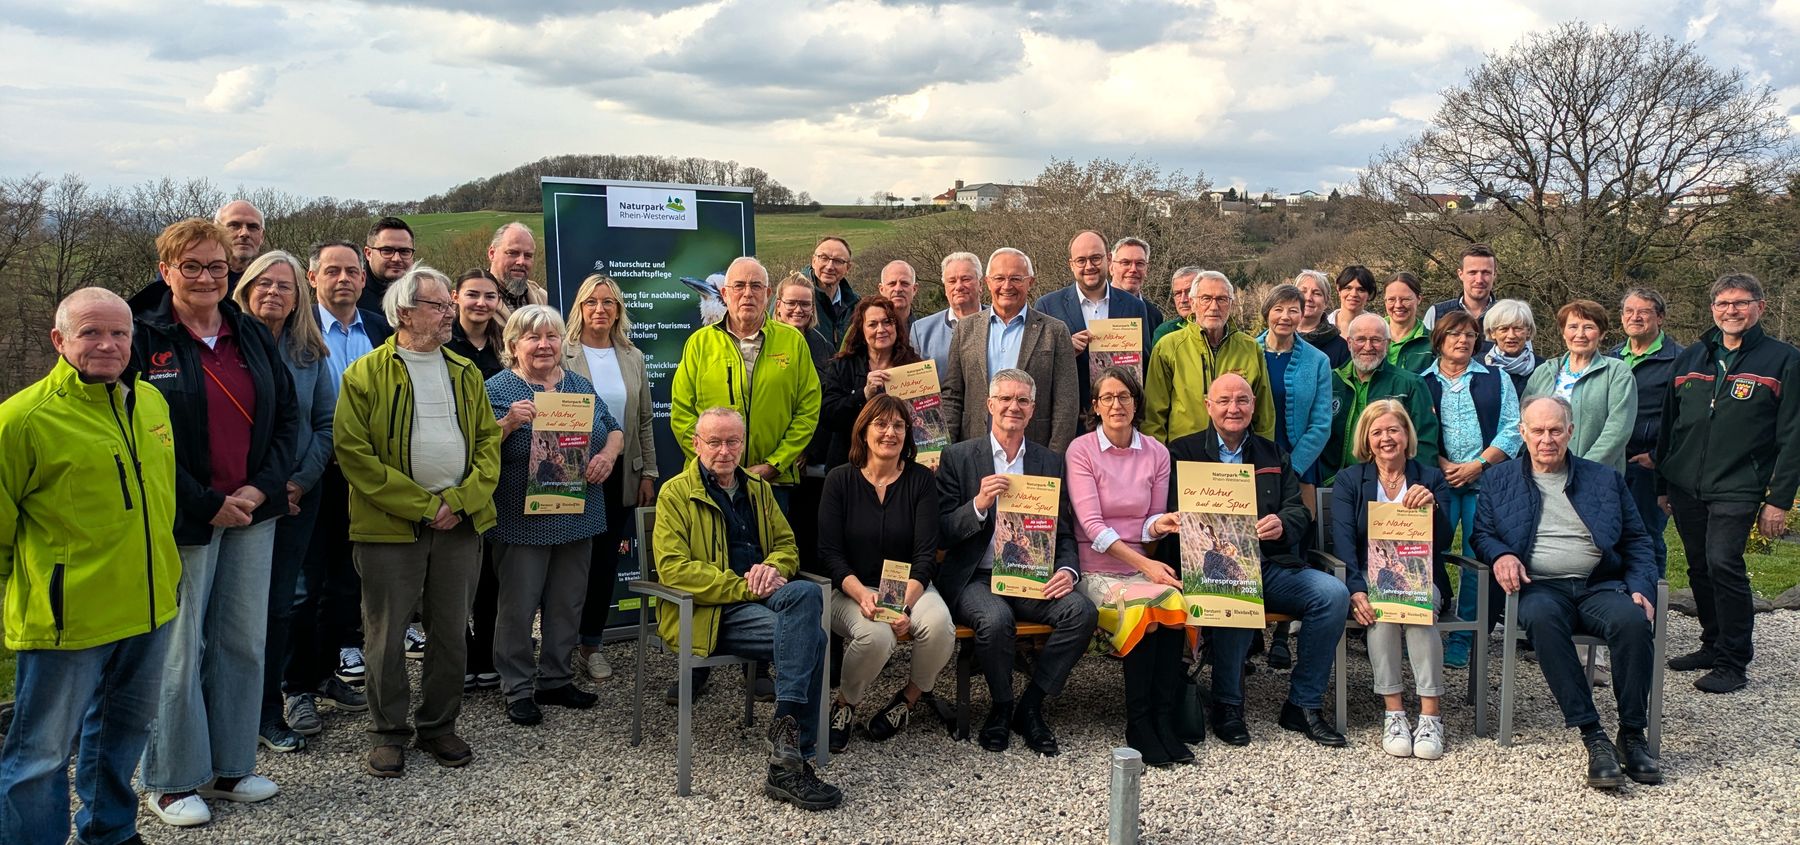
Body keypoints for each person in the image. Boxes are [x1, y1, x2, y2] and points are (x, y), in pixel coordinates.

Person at [0, 289, 182, 845]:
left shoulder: (149, 403)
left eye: (119, 333)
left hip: (147, 608)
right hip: (68, 620)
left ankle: (111, 832)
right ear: (59, 340)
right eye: (90, 333)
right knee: (40, 754)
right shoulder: (22, 420)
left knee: (121, 737)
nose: (107, 344)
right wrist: (36, 591)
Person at [133, 218, 298, 827]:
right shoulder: (143, 336)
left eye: (217, 267)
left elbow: (287, 419)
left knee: (241, 643)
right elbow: (137, 438)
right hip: (185, 517)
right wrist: (206, 501)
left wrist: (259, 488)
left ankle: (229, 766)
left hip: (252, 511)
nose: (206, 278)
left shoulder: (248, 331)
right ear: (166, 271)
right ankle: (170, 779)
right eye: (192, 266)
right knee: (179, 650)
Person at [334, 265, 502, 778]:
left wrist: (461, 501)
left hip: (460, 525)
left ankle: (438, 725)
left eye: (449, 305)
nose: (451, 313)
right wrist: (427, 507)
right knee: (385, 636)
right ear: (404, 312)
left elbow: (488, 444)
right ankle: (388, 732)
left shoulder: (465, 372)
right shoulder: (364, 374)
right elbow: (354, 455)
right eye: (439, 306)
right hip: (389, 528)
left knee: (450, 631)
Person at [651, 407, 841, 811]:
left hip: (764, 593)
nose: (724, 450)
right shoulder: (675, 493)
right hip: (712, 610)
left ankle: (785, 744)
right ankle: (792, 759)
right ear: (696, 444)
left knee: (807, 595)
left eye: (732, 441)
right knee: (813, 639)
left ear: (743, 443)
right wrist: (742, 585)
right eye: (714, 442)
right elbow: (673, 569)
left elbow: (787, 545)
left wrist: (772, 567)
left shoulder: (757, 488)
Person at [1475, 396, 1662, 789]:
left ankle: (1632, 735)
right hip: (1539, 586)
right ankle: (1593, 735)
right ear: (1522, 433)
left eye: (1556, 430)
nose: (1547, 439)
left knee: (1632, 621)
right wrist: (1501, 555)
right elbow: (1483, 535)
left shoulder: (1604, 479)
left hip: (1599, 584)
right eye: (1538, 430)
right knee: (1542, 619)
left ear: (1570, 432)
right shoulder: (1498, 479)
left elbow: (1638, 540)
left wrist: (1642, 587)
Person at [1160, 374, 1343, 747]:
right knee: (1235, 588)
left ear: (1254, 406)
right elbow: (1167, 510)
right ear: (1208, 406)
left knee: (1332, 595)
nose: (1234, 408)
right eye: (1224, 401)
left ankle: (1303, 704)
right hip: (1209, 568)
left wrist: (1283, 523)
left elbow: (1298, 510)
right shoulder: (1182, 452)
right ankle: (1228, 704)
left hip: (1270, 565)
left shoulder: (1273, 454)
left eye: (1242, 400)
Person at [935, 369, 1097, 756]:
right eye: (1005, 399)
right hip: (977, 577)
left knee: (1081, 612)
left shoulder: (1048, 461)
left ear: (1032, 410)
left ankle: (1031, 705)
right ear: (989, 405)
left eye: (1022, 400)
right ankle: (1002, 705)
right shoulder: (959, 457)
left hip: (1032, 576)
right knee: (995, 620)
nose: (1014, 406)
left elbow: (1064, 531)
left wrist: (1067, 570)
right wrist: (978, 505)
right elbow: (940, 532)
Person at [1658, 272, 1800, 694]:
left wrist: (1779, 499)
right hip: (1686, 484)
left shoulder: (1784, 361)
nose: (1731, 311)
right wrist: (1662, 484)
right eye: (1722, 303)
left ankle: (1733, 662)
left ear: (1760, 307)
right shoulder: (1693, 357)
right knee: (1699, 566)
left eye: (1740, 303)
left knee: (1723, 562)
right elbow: (1669, 423)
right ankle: (1712, 643)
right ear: (1713, 309)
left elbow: (1793, 435)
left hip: (1740, 483)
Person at [485, 305, 624, 725]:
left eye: (551, 336)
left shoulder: (578, 384)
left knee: (567, 602)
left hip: (578, 514)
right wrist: (508, 424)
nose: (544, 345)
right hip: (521, 520)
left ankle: (556, 679)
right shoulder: (497, 389)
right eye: (533, 337)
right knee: (518, 607)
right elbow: (474, 445)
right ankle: (517, 687)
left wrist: (608, 454)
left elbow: (613, 427)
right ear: (513, 345)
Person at [231, 251, 337, 754]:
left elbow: (325, 424)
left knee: (283, 604)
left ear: (299, 298)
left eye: (285, 286)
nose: (273, 292)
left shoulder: (309, 354)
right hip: (236, 501)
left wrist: (298, 483)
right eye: (264, 283)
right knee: (232, 610)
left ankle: (268, 711)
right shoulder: (227, 347)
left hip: (297, 497)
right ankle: (224, 714)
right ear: (246, 288)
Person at [1064, 368, 1192, 766]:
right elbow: (1092, 526)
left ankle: (1163, 720)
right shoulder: (1081, 450)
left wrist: (1162, 524)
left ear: (1136, 404)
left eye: (1125, 396)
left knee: (1176, 606)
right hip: (1095, 569)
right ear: (1095, 406)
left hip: (1139, 568)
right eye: (1108, 398)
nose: (1116, 404)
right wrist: (1146, 565)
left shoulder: (1156, 452)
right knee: (1147, 612)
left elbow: (1147, 523)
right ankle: (1138, 724)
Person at [285, 240, 390, 727]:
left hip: (366, 474)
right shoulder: (296, 330)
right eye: (332, 271)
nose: (344, 279)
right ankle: (296, 687)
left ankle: (326, 672)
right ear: (312, 278)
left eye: (351, 271)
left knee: (347, 584)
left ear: (364, 279)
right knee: (305, 586)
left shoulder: (379, 328)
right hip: (314, 472)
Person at [817, 395, 951, 752]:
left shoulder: (921, 481)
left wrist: (902, 606)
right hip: (850, 588)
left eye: (898, 426)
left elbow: (925, 555)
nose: (890, 432)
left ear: (907, 434)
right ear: (863, 431)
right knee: (876, 636)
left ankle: (908, 699)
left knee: (939, 625)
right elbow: (829, 554)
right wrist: (862, 594)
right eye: (881, 424)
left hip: (909, 587)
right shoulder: (839, 480)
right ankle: (845, 704)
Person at [1332, 400, 1454, 759]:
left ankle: (1430, 717)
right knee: (1382, 611)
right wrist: (1356, 591)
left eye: (1393, 430)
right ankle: (1395, 713)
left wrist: (1432, 509)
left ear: (1406, 435)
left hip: (1422, 576)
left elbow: (1446, 541)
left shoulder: (1430, 478)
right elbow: (1343, 542)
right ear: (1366, 439)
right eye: (1377, 432)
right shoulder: (1350, 480)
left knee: (1416, 610)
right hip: (1370, 578)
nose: (1386, 438)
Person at [565, 274, 659, 682]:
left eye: (608, 302)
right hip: (571, 471)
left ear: (618, 309)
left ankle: (591, 644)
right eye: (591, 302)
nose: (600, 309)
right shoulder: (563, 352)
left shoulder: (632, 356)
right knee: (569, 564)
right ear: (580, 308)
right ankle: (559, 646)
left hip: (620, 473)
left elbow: (644, 421)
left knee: (604, 563)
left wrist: (649, 472)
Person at [670, 256, 821, 509]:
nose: (747, 293)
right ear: (725, 293)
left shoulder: (792, 342)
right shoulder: (699, 343)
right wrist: (713, 462)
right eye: (739, 286)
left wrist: (775, 464)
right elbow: (681, 412)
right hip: (710, 482)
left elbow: (808, 409)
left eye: (756, 286)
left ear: (768, 294)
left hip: (772, 484)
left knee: (772, 538)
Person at [1422, 310, 1521, 669]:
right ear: (1440, 339)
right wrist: (1442, 464)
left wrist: (1478, 464)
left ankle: (1464, 636)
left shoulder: (1496, 378)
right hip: (1441, 482)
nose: (1462, 340)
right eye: (1454, 334)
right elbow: (1416, 432)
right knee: (1430, 550)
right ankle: (1425, 623)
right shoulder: (1423, 382)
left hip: (1485, 482)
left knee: (1476, 560)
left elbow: (1513, 428)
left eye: (1469, 335)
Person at [940, 248, 1079, 452]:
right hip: (974, 450)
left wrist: (1054, 457)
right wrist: (945, 451)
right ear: (987, 282)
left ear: (1030, 282)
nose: (1007, 286)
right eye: (999, 278)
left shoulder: (1054, 331)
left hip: (1034, 450)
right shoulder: (966, 329)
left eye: (1016, 278)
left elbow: (1066, 402)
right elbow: (953, 396)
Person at [1144, 271, 1275, 443]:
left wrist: (1263, 454)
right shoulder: (1168, 347)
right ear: (1193, 303)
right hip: (1184, 453)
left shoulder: (1250, 348)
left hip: (1237, 453)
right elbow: (1153, 416)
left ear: (1231, 304)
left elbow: (1264, 415)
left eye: (1221, 299)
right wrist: (1159, 456)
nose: (1214, 307)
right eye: (1206, 298)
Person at [1037, 232, 1158, 415]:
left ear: (1108, 259)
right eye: (1081, 260)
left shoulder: (1134, 306)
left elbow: (1145, 366)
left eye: (1095, 258)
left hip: (1120, 416)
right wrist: (1064, 350)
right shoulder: (1048, 306)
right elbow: (1038, 368)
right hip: (1071, 418)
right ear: (1071, 265)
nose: (1089, 266)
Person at [1608, 288, 1683, 578]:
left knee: (1645, 537)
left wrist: (1656, 456)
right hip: (1611, 462)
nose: (1635, 317)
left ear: (1660, 318)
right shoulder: (1611, 357)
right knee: (1610, 533)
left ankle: (1650, 599)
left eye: (1644, 312)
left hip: (1647, 468)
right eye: (1629, 311)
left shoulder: (1679, 360)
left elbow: (1685, 419)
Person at [1324, 314, 1441, 481]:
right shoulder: (1329, 382)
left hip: (1392, 483)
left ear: (1388, 343)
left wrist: (1416, 483)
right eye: (1360, 339)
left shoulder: (1410, 384)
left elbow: (1425, 443)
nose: (1368, 347)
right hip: (1334, 482)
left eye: (1376, 340)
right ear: (1349, 343)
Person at [1523, 300, 1636, 473]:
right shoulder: (1544, 371)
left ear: (1602, 334)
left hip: (1595, 475)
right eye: (1573, 327)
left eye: (1588, 327)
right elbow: (1525, 422)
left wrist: (1582, 470)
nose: (1580, 334)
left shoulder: (1617, 372)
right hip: (1544, 475)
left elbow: (1618, 430)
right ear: (1563, 332)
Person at [821, 296, 923, 469]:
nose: (881, 329)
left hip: (901, 467)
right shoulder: (842, 366)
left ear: (896, 327)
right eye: (872, 324)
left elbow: (925, 416)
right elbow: (828, 415)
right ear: (861, 330)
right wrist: (863, 395)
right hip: (850, 465)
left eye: (887, 322)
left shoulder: (913, 365)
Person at [1257, 284, 1334, 501]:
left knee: (1299, 520)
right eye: (1278, 309)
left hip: (1302, 467)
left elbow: (1321, 424)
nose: (1285, 317)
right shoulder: (1248, 352)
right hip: (1254, 464)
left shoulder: (1318, 361)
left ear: (1301, 315)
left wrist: (1294, 466)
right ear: (1267, 313)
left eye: (1293, 310)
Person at [128, 199, 267, 312]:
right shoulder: (178, 274)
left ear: (262, 236)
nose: (244, 233)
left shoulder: (269, 279)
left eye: (253, 227)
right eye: (234, 225)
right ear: (216, 229)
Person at [911, 252, 987, 375]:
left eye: (966, 279)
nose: (959, 286)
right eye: (952, 281)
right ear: (945, 288)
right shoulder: (921, 331)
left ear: (980, 285)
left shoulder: (999, 322)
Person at [447, 268, 505, 379]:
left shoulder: (509, 342)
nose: (481, 303)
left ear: (498, 300)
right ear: (455, 297)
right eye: (472, 295)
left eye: (490, 296)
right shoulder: (441, 341)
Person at [1423, 243, 1498, 329]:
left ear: (1494, 274)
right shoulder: (1436, 314)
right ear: (1460, 274)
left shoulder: (1507, 314)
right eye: (1472, 273)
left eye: (1486, 273)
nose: (1479, 280)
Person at [1481, 298, 1540, 396]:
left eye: (1518, 328)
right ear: (1492, 333)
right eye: (1504, 329)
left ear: (1528, 332)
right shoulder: (1477, 367)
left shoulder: (1543, 369)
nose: (1511, 335)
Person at [808, 236, 860, 345]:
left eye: (838, 261)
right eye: (824, 258)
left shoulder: (855, 305)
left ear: (848, 268)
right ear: (813, 261)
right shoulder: (793, 298)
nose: (830, 266)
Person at [487, 222, 549, 313]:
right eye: (512, 253)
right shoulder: (474, 301)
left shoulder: (544, 300)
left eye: (528, 255)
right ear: (492, 254)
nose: (521, 261)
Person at [359, 216, 417, 314]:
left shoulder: (425, 295)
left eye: (404, 251)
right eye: (387, 251)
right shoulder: (353, 296)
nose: (396, 259)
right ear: (368, 253)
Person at [1293, 269, 1350, 367]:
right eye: (1303, 292)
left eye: (1316, 293)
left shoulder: (1341, 348)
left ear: (1326, 302)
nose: (1308, 298)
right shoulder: (1277, 337)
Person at [1108, 236, 1165, 329]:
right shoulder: (1095, 306)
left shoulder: (1154, 316)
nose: (1133, 269)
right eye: (1125, 263)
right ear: (1111, 268)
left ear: (1146, 269)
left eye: (1140, 263)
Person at [1383, 272, 1432, 373]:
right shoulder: (1369, 337)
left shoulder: (1432, 342)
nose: (1398, 305)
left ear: (1419, 299)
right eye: (1391, 299)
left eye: (1405, 299)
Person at [1149, 266, 1201, 349]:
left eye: (1189, 292)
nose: (1183, 300)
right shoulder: (1165, 331)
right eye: (1178, 293)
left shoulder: (1220, 330)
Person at [1329, 265, 1376, 335]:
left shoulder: (1378, 328)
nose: (1353, 294)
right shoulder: (1321, 325)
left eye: (1361, 290)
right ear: (1339, 289)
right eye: (1348, 288)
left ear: (1369, 294)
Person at [877, 260, 920, 324]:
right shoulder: (866, 329)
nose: (898, 289)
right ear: (881, 289)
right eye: (892, 284)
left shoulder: (925, 329)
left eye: (904, 283)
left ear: (914, 289)